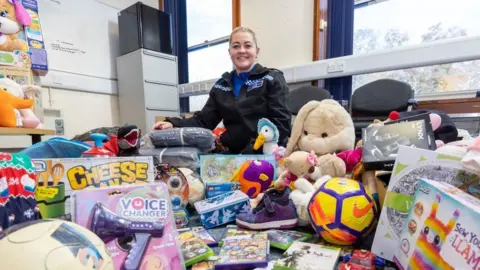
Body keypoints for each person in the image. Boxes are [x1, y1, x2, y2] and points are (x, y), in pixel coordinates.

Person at [152, 27, 292, 154]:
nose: (242, 50)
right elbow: (204, 121)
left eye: (248, 45)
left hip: (266, 154)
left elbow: (282, 122)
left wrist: (255, 150)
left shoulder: (272, 78)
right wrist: (173, 123)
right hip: (232, 155)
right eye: (236, 46)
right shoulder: (222, 85)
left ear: (257, 51)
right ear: (230, 52)